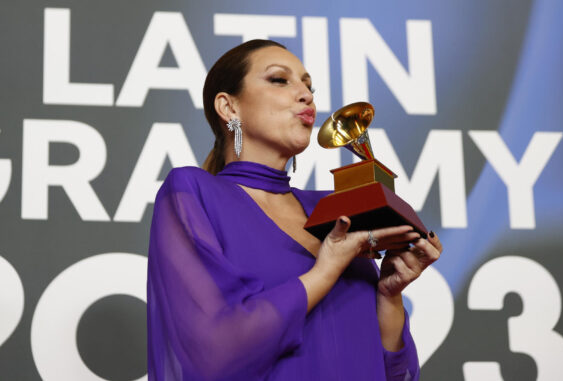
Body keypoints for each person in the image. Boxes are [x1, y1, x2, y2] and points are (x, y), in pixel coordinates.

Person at [147, 39, 442, 381]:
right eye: (279, 80)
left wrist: (389, 296)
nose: (306, 95)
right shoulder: (193, 192)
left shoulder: (335, 211)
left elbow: (394, 374)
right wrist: (324, 271)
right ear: (228, 107)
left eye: (308, 85)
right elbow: (212, 351)